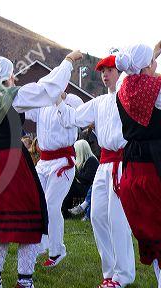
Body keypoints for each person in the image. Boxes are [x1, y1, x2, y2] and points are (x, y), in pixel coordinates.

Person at [0, 50, 82, 288]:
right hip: (11, 161)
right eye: (12, 75)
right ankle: (24, 281)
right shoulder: (11, 96)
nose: (15, 79)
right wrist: (66, 62)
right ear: (6, 77)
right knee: (32, 219)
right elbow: (47, 89)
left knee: (0, 219)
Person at [57, 55, 135, 288]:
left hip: (122, 163)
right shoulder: (99, 102)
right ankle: (110, 272)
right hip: (103, 165)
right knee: (97, 216)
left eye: (109, 69)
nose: (104, 74)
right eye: (102, 70)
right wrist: (58, 99)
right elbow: (73, 117)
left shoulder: (128, 96)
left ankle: (123, 275)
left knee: (117, 219)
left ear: (120, 72)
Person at [114, 42, 161, 287]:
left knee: (153, 236)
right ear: (147, 67)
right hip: (156, 165)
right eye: (153, 63)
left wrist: (154, 50)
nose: (156, 66)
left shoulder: (123, 88)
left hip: (131, 170)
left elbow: (139, 67)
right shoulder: (157, 91)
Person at [25, 92, 83, 266]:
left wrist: (60, 101)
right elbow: (25, 108)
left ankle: (57, 251)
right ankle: (40, 245)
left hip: (62, 161)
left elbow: (74, 120)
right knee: (36, 203)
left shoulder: (73, 100)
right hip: (43, 162)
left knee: (51, 205)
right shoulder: (42, 103)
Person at [66, 139, 99, 220]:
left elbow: (86, 179)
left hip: (88, 188)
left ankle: (66, 211)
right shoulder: (84, 160)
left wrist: (74, 171)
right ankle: (66, 211)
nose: (75, 152)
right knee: (68, 185)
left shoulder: (91, 160)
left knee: (70, 186)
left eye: (76, 149)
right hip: (85, 187)